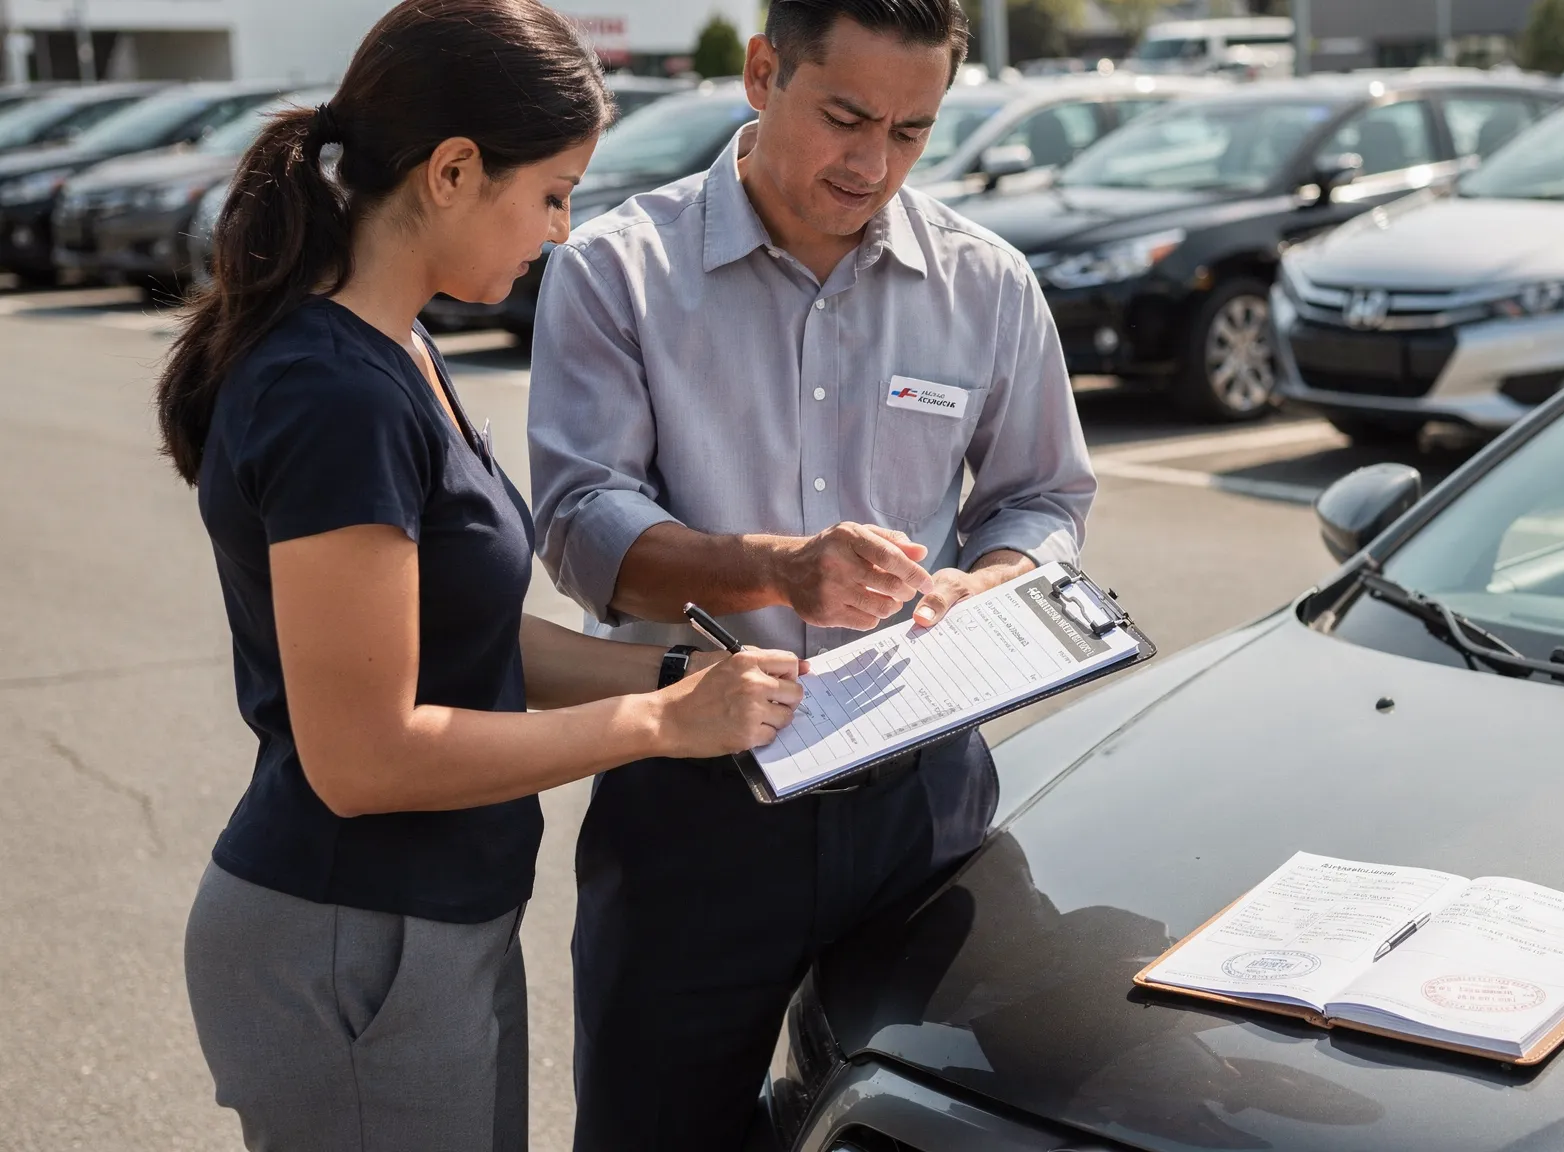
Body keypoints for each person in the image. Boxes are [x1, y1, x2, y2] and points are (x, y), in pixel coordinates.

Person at [156, 1, 805, 1147]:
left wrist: (670, 668)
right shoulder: (333, 393)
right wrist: (660, 722)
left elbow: (461, 641)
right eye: (551, 193)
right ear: (453, 171)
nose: (561, 233)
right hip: (352, 940)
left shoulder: (397, 348)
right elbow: (366, 757)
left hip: (421, 926)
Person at [525, 0, 1096, 1143]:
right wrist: (780, 571)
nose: (872, 162)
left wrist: (980, 584)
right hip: (697, 801)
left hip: (920, 799)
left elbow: (1041, 497)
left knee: (936, 1127)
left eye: (911, 131)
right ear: (760, 73)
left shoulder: (984, 283)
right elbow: (582, 524)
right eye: (845, 117)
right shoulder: (613, 271)